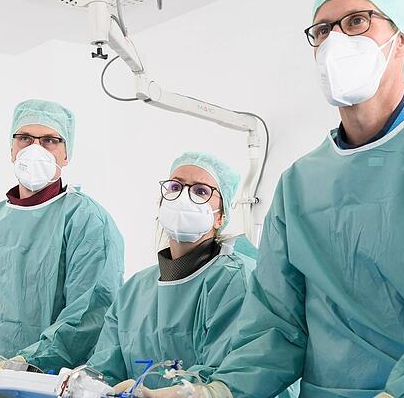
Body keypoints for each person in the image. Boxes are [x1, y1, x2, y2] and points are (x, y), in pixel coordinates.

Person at [146, 0, 404, 397]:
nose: (336, 41)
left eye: (356, 22)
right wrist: (216, 391)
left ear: (400, 39)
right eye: (322, 30)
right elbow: (274, 325)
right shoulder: (300, 184)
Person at [87, 152, 297, 398]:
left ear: (221, 217)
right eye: (175, 187)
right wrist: (89, 384)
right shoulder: (135, 289)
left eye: (200, 191)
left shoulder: (237, 281)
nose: (184, 197)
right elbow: (103, 369)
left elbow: (230, 381)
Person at [0, 99, 124, 373]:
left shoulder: (85, 219)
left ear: (65, 154)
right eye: (24, 138)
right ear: (12, 149)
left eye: (49, 140)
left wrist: (24, 365)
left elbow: (88, 313)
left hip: (44, 382)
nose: (35, 149)